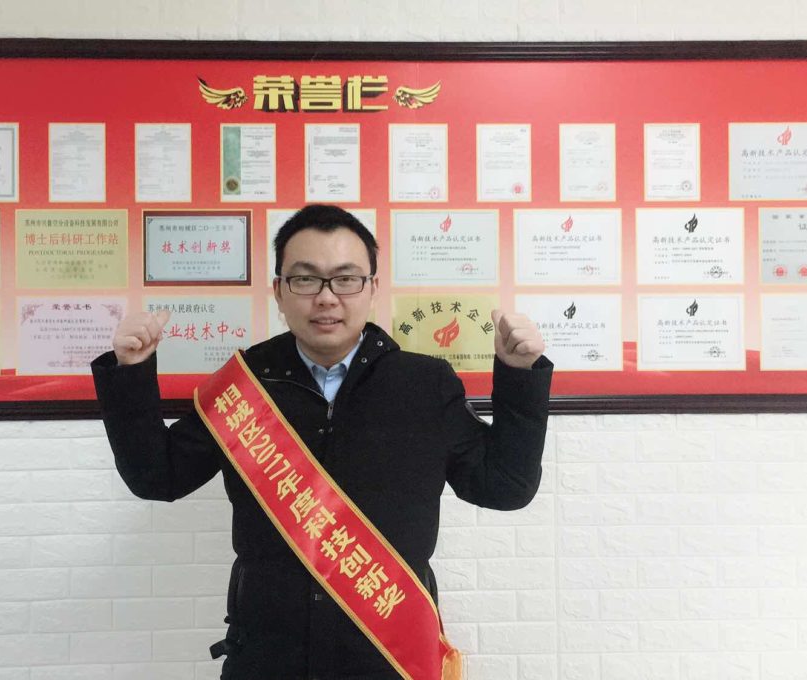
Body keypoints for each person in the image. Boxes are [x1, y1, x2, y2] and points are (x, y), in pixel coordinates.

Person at [91, 204, 552, 679]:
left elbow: (505, 487)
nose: (327, 298)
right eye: (306, 279)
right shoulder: (246, 384)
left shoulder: (424, 384)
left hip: (388, 657)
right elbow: (157, 477)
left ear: (372, 288)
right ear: (279, 291)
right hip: (267, 657)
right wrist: (132, 372)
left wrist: (519, 375)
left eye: (346, 279)